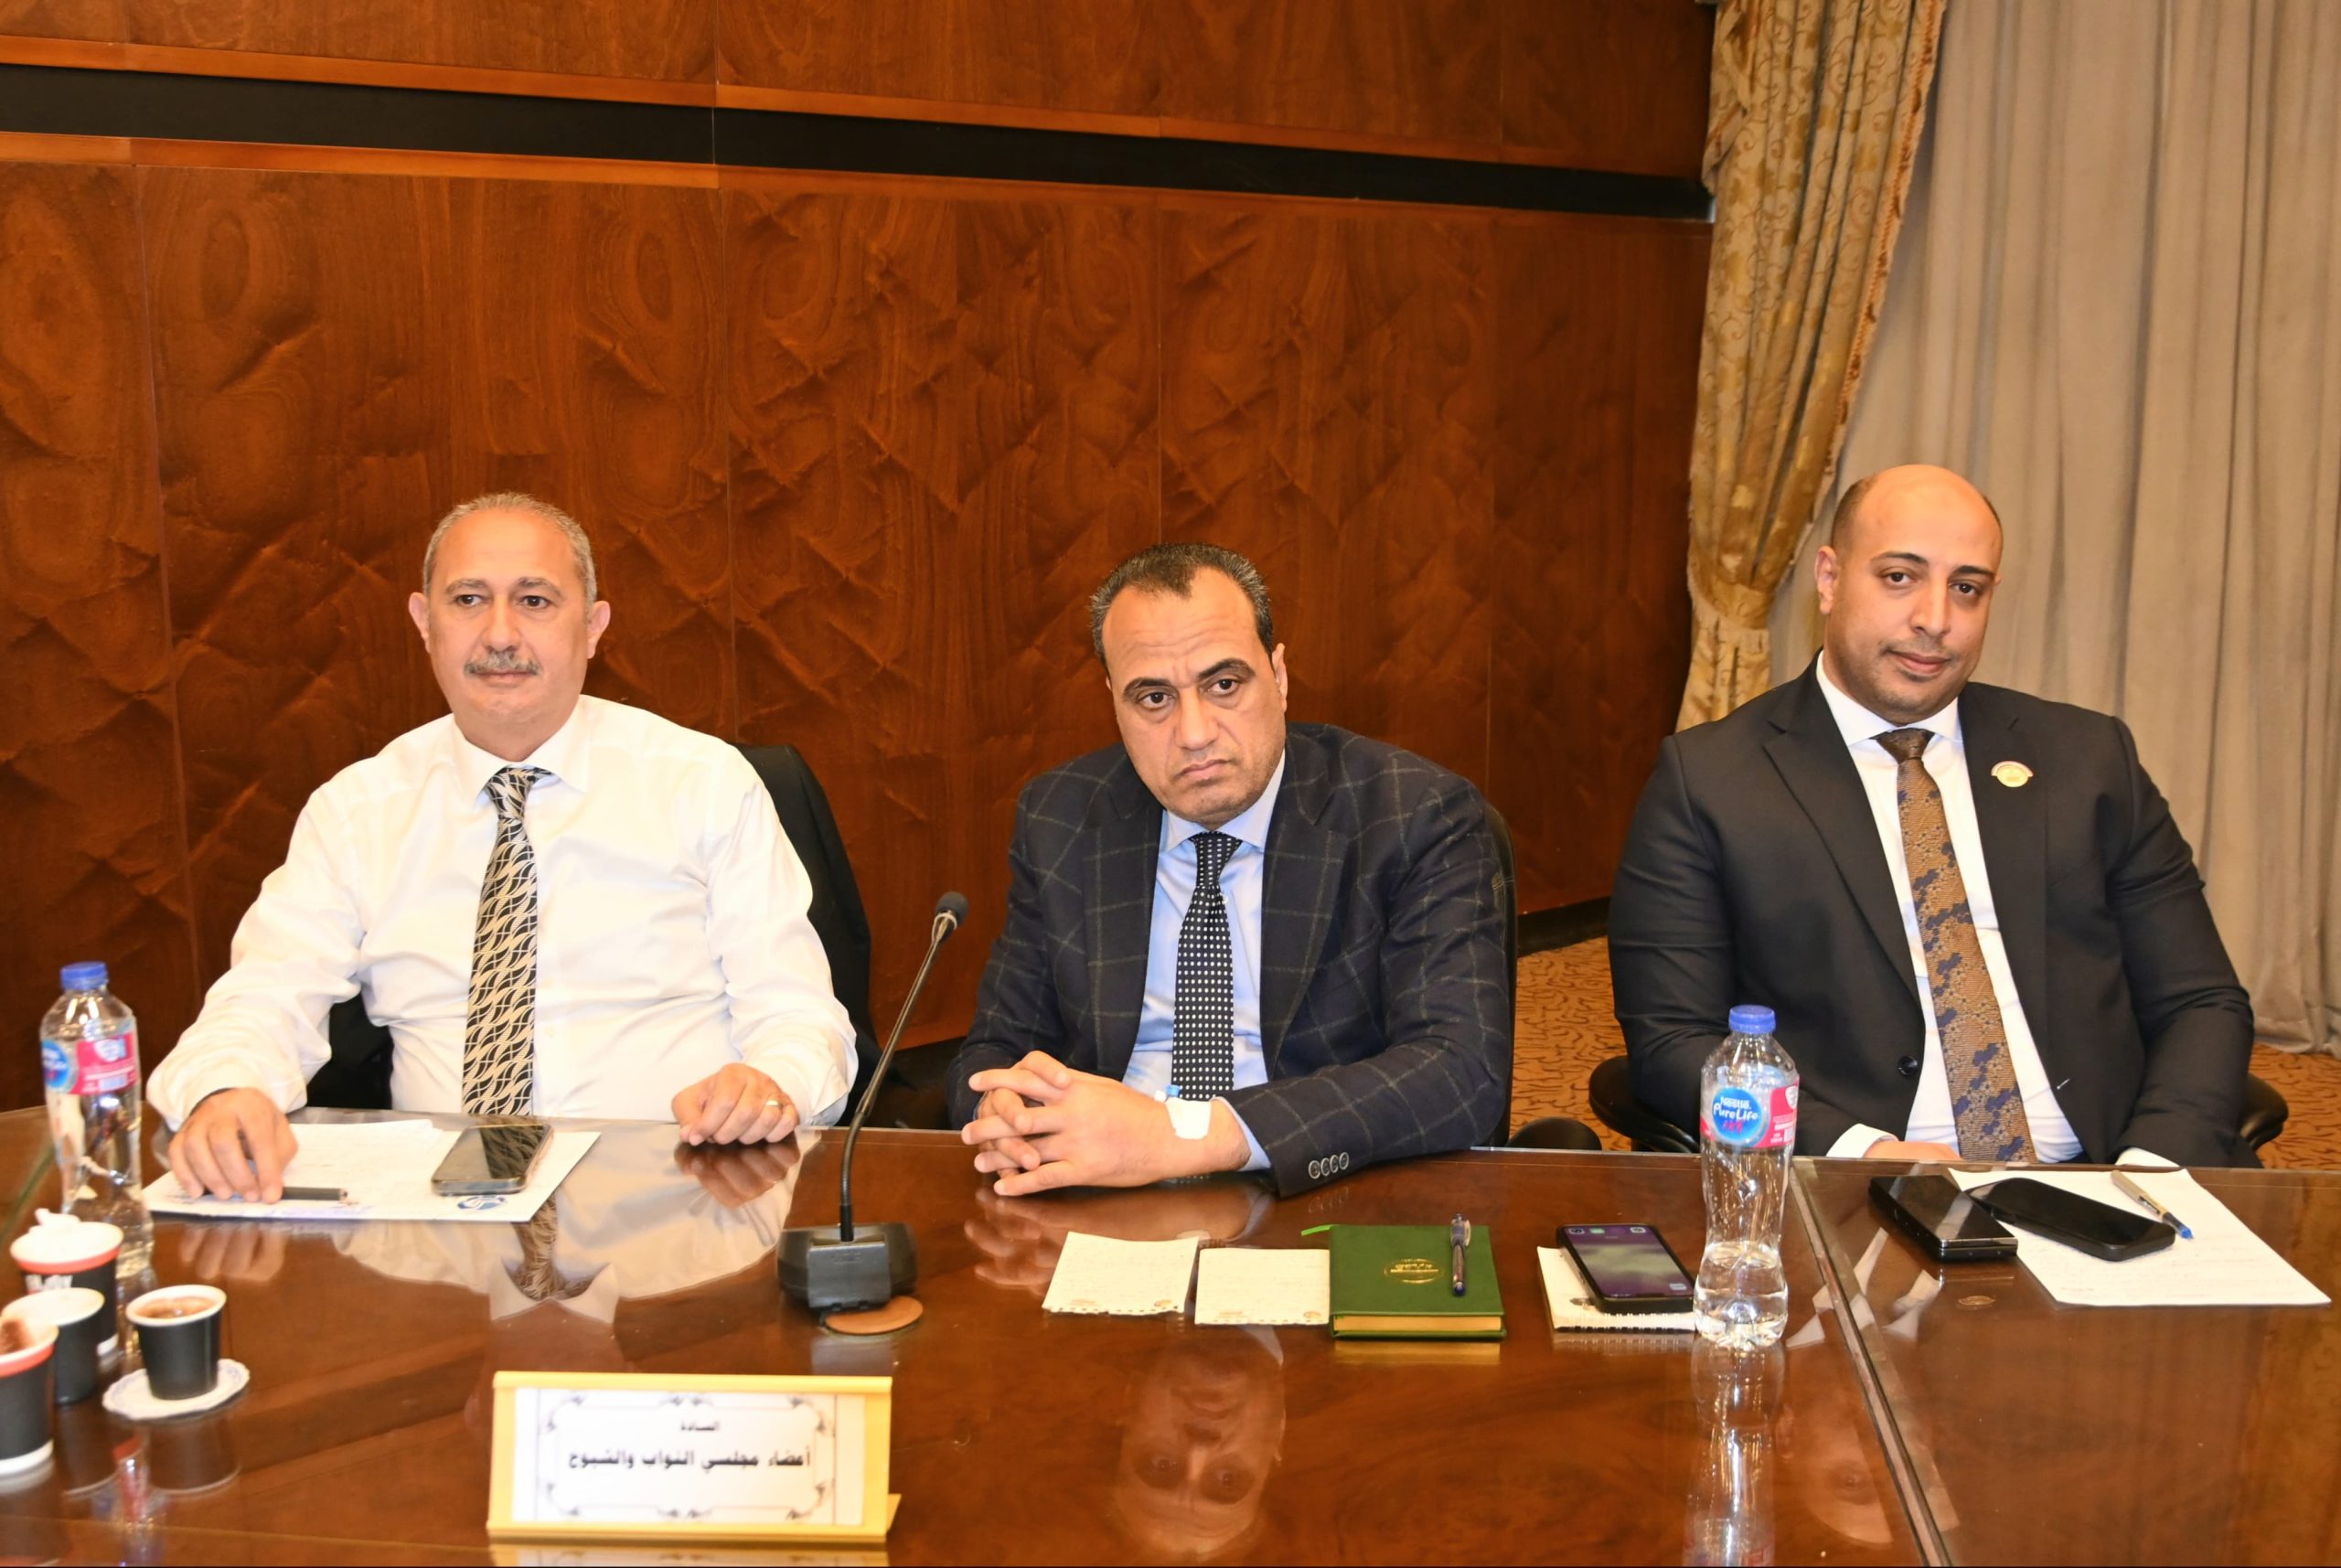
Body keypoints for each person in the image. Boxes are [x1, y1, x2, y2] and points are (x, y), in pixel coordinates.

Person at [151, 494, 856, 1199]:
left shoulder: (703, 785)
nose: (499, 634)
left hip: (678, 1203)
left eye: (535, 600)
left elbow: (799, 1018)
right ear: (424, 623)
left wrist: (769, 1085)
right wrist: (226, 1090)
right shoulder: (358, 813)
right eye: (467, 599)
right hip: (437, 1222)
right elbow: (262, 999)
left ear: (593, 627)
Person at [1610, 464, 2256, 1168]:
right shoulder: (1710, 781)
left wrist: (2154, 1165)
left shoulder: (2088, 757)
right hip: (1862, 1181)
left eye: (1967, 587)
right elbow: (1673, 1041)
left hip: (2110, 1171)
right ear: (1829, 579)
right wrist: (1858, 1151)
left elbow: (2202, 1000)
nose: (1935, 619)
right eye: (1899, 577)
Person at [949, 543, 1511, 1196]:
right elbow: (994, 1048)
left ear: (1279, 674)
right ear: (1113, 701)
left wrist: (1184, 1136)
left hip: (1309, 1182)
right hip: (1103, 1189)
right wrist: (1004, 1109)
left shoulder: (1410, 814)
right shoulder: (1062, 818)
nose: (1194, 733)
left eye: (1223, 684)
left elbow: (1460, 1071)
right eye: (1154, 697)